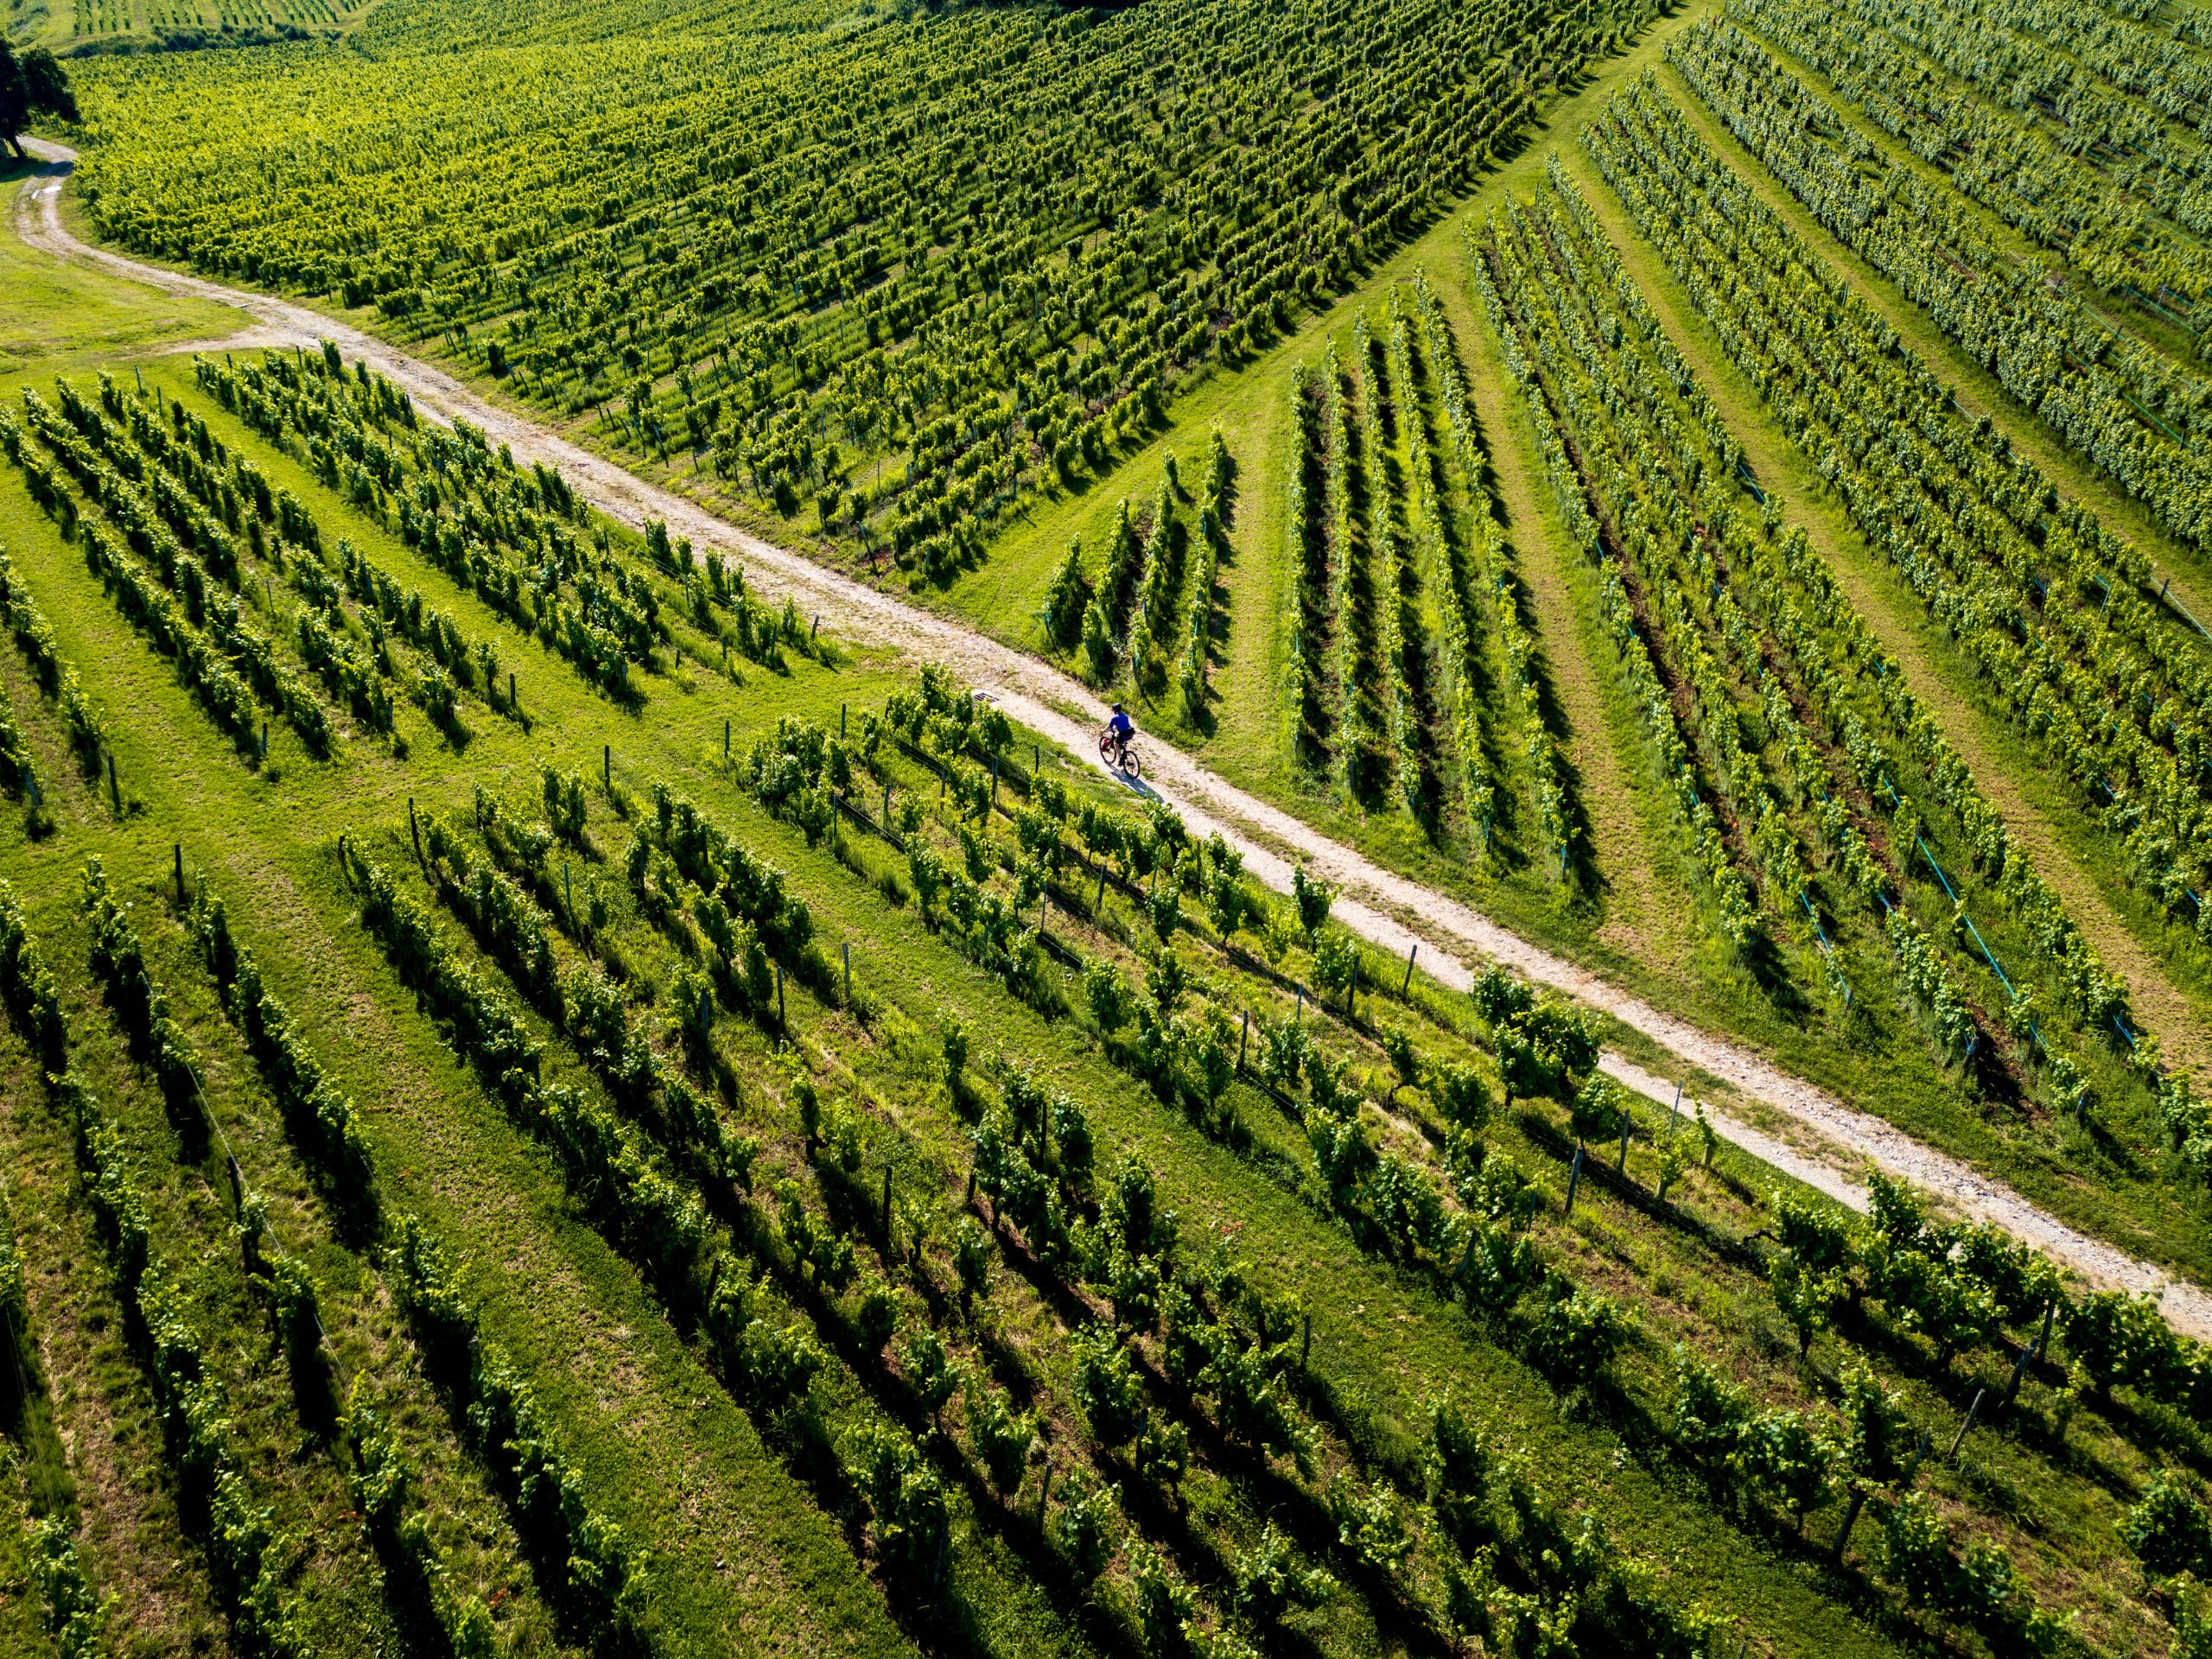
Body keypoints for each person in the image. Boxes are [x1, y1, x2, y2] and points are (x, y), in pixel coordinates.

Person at [1105, 703, 1135, 767]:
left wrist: (1103, 730)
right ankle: (1125, 755)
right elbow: (1123, 724)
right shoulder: (1126, 716)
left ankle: (1121, 760)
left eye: (1113, 710)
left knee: (1116, 744)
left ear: (1115, 710)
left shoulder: (1114, 718)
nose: (1113, 711)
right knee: (1121, 741)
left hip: (1123, 734)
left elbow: (1110, 727)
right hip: (1130, 733)